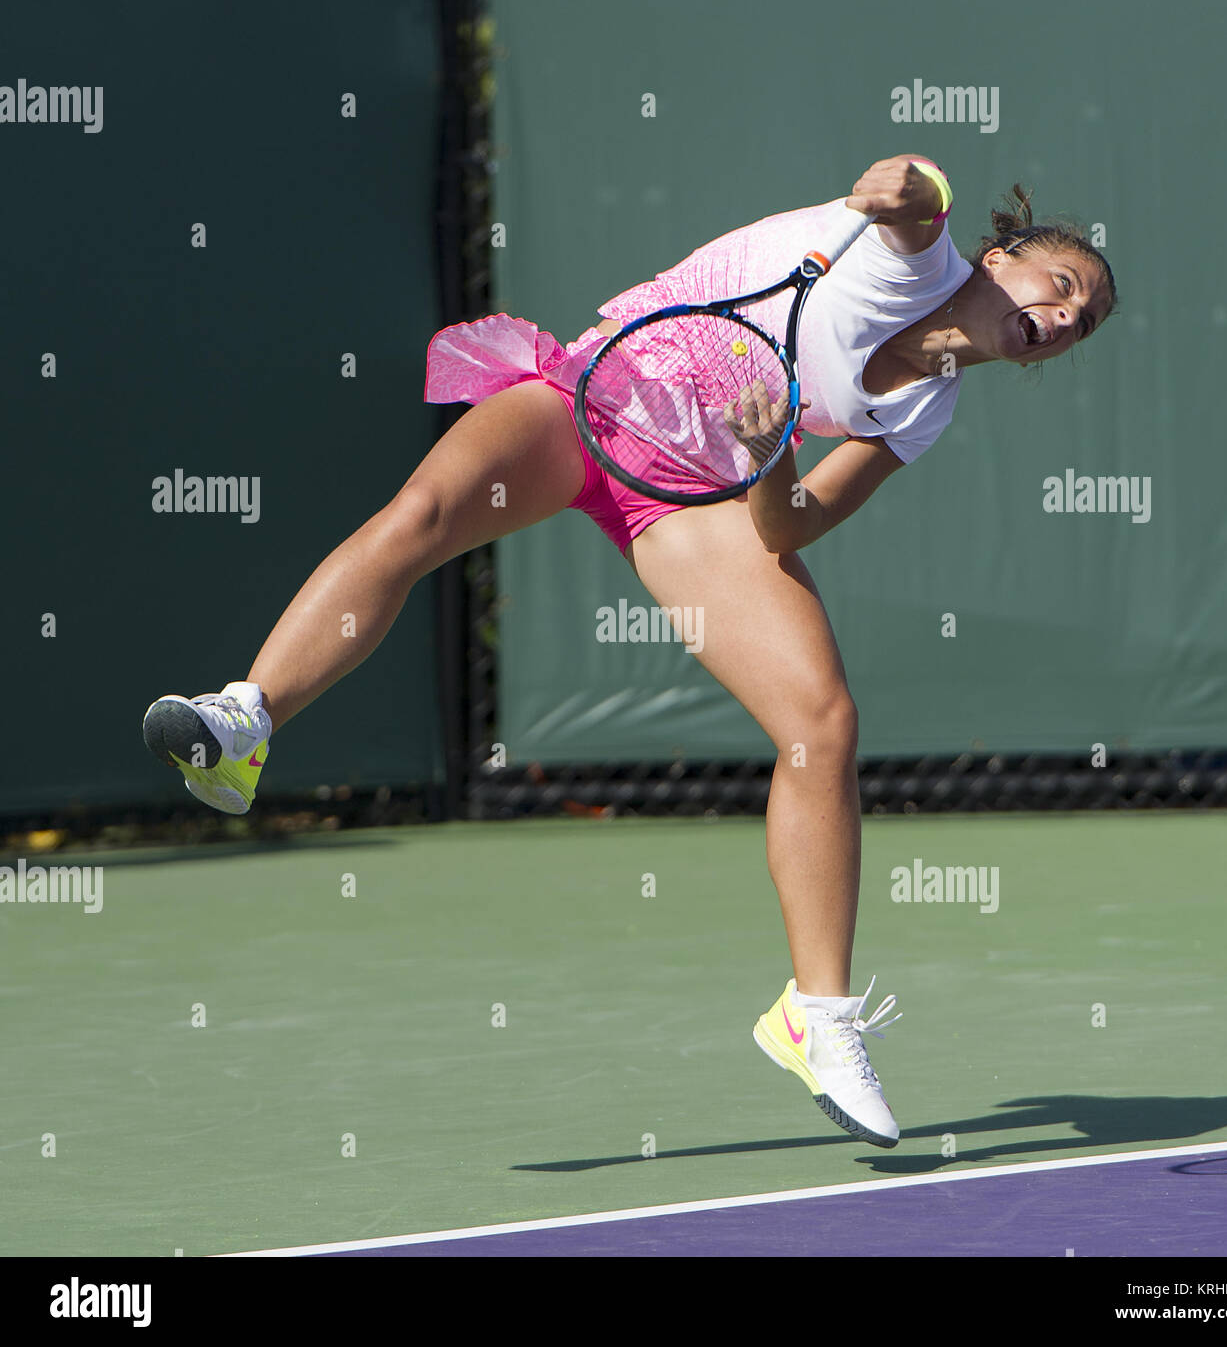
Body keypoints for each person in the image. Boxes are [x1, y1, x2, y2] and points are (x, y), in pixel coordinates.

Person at [143, 155, 1116, 1147]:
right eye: (1065, 284)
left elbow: (787, 529)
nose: (1070, 314)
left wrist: (771, 453)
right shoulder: (903, 260)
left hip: (691, 498)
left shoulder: (926, 403)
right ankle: (245, 719)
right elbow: (914, 192)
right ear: (996, 259)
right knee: (422, 515)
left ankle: (815, 1018)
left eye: (1085, 323)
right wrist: (900, 189)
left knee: (819, 723)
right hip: (597, 398)